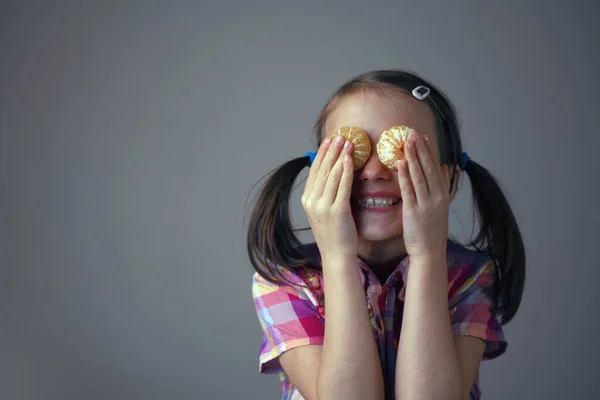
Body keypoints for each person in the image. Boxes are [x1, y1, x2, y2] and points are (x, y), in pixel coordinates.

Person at [246, 69, 525, 400]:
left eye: (403, 152)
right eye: (351, 152)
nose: (375, 172)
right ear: (319, 173)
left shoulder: (469, 276)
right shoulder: (286, 280)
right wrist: (337, 258)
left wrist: (427, 255)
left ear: (448, 182)